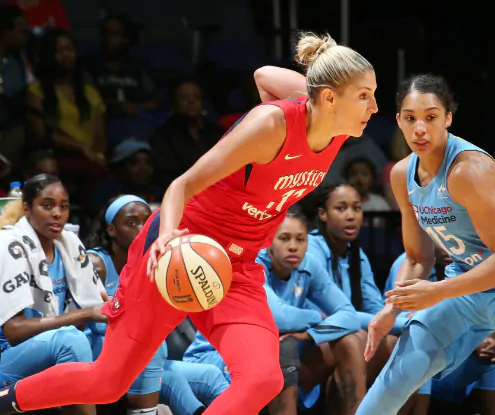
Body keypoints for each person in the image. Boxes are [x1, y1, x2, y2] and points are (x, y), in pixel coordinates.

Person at [0, 31, 378, 415]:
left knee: (264, 378)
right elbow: (183, 184)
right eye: (364, 95)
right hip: (181, 246)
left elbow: (264, 74)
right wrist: (166, 239)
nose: (375, 107)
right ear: (329, 97)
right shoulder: (270, 127)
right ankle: (6, 400)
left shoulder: (333, 123)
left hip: (237, 265)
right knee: (108, 383)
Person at [355, 74, 495, 415]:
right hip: (467, 287)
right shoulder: (402, 174)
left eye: (431, 117)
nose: (420, 128)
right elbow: (418, 257)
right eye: (410, 117)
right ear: (399, 121)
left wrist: (440, 291)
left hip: (466, 285)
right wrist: (391, 309)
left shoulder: (469, 171)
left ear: (448, 118)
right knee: (391, 385)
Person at [0, 174, 107, 415]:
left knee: (118, 342)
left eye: (64, 206)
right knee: (71, 341)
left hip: (48, 344)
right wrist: (85, 314)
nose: (57, 213)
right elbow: (14, 332)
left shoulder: (68, 244)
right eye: (47, 205)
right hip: (7, 355)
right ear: (27, 208)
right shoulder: (9, 245)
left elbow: (96, 303)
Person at [307, 182, 405, 385]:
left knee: (398, 343)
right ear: (323, 214)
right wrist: (405, 322)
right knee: (358, 338)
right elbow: (336, 315)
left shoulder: (357, 255)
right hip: (313, 335)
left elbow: (375, 308)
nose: (351, 216)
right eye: (341, 208)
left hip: (346, 334)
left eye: (356, 208)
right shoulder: (311, 249)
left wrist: (392, 322)